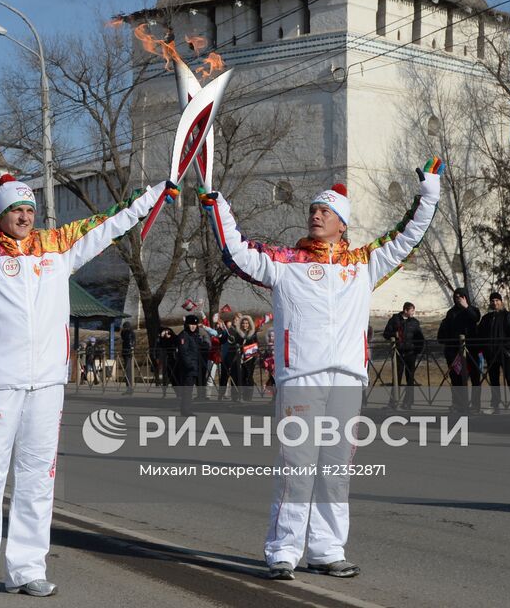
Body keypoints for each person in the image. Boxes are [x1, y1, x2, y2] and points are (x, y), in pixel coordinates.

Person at [0, 147, 168, 606]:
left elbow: (109, 222)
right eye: (15, 210)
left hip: (46, 384)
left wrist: (154, 195)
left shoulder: (58, 247)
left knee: (37, 478)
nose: (24, 217)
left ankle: (28, 569)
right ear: (0, 215)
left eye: (29, 209)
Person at [201, 159, 443, 581]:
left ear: (342, 225)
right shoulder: (284, 261)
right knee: (297, 466)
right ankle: (282, 550)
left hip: (347, 380)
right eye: (313, 209)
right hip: (301, 378)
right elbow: (236, 251)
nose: (315, 215)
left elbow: (409, 237)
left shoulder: (364, 264)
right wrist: (218, 206)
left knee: (335, 470)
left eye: (325, 211)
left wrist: (430, 196)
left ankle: (327, 549)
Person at [437, 288, 481, 415]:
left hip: (471, 350)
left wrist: (466, 307)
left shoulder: (473, 310)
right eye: (456, 297)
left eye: (460, 296)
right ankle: (459, 404)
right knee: (457, 378)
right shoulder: (451, 313)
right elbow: (446, 331)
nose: (458, 299)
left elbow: (475, 318)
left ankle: (475, 405)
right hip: (455, 352)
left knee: (475, 378)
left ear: (465, 297)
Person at [477, 292, 510, 414]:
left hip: (505, 353)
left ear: (501, 302)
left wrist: (506, 347)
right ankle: (495, 404)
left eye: (497, 300)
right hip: (491, 354)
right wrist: (484, 349)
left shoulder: (508, 316)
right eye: (492, 301)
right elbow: (480, 335)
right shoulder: (486, 318)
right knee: (494, 380)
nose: (495, 303)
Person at [382, 302, 424, 411]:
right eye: (412, 310)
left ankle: (408, 403)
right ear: (405, 310)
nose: (413, 313)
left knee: (410, 379)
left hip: (411, 353)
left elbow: (420, 338)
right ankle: (393, 402)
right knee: (396, 378)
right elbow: (386, 333)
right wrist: (393, 334)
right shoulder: (395, 319)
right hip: (398, 353)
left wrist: (418, 350)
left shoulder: (415, 322)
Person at [173, 314, 211, 416]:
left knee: (189, 390)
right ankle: (185, 410)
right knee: (187, 390)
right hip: (188, 368)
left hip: (194, 366)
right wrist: (190, 365)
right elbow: (183, 352)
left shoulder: (194, 335)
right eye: (191, 324)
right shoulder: (184, 335)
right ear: (186, 324)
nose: (193, 326)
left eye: (195, 324)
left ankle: (186, 409)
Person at [119, 321, 136, 395]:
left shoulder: (130, 333)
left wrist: (131, 349)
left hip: (128, 353)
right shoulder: (124, 333)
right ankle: (128, 388)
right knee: (127, 370)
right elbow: (123, 339)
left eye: (125, 327)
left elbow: (133, 342)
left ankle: (130, 388)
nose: (124, 328)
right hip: (125, 352)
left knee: (128, 370)